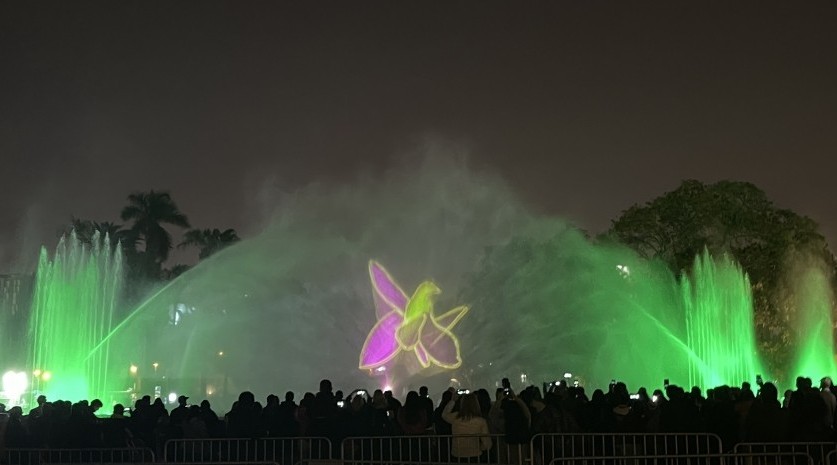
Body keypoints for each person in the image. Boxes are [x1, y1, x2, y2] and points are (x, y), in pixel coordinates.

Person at [442, 390, 492, 460]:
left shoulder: (455, 418)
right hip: (474, 454)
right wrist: (479, 447)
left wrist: (453, 400)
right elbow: (487, 444)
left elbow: (444, 414)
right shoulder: (481, 421)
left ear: (462, 404)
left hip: (457, 454)